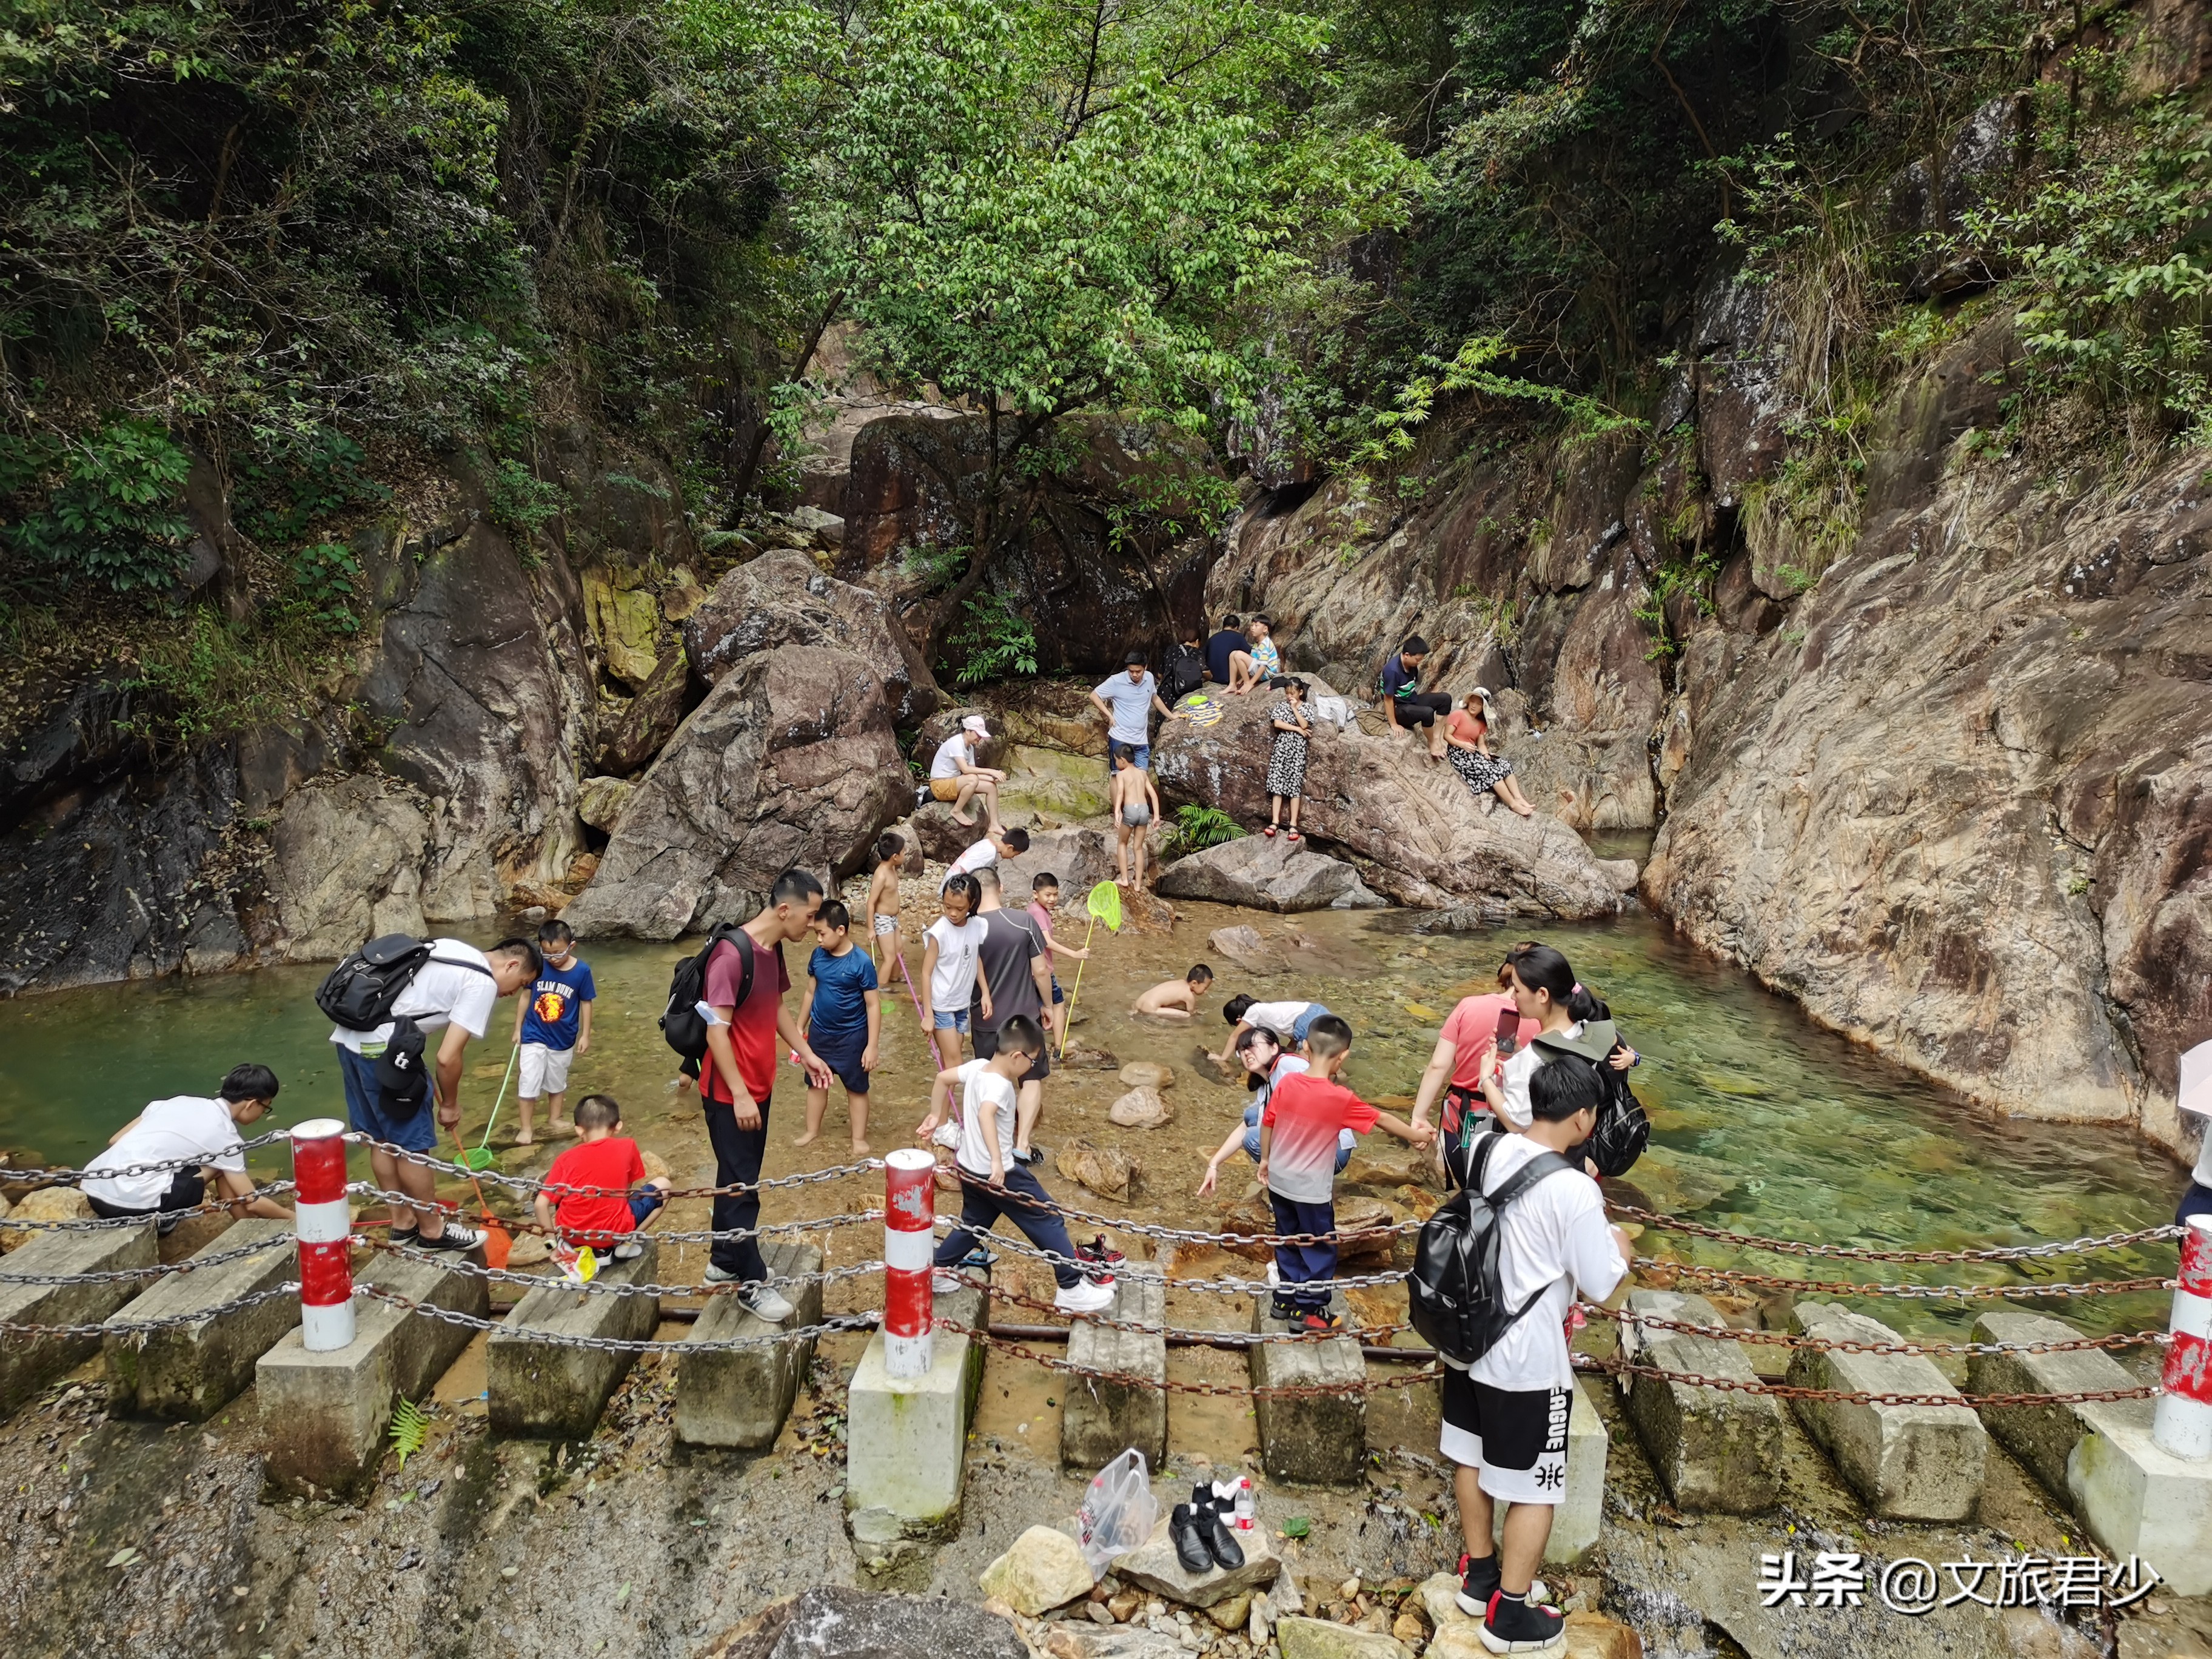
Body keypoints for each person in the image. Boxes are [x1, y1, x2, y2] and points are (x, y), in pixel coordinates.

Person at [1444, 1057, 1633, 1654]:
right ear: (1582, 1118)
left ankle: (1479, 1579)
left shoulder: (1486, 1148)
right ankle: (1511, 1615)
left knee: (1470, 1455)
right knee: (1536, 1486)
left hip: (1467, 1334)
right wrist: (1620, 1247)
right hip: (1525, 1355)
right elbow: (1601, 1284)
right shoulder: (1575, 1189)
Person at [330, 936, 540, 1251]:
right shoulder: (481, 981)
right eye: (520, 983)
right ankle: (432, 1230)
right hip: (386, 1053)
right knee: (412, 1146)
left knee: (379, 1138)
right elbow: (447, 1057)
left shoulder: (446, 946)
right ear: (511, 964)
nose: (511, 994)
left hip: (350, 1040)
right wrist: (451, 1105)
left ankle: (402, 1223)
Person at [916, 1015, 1114, 1314]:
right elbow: (986, 1115)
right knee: (1048, 1217)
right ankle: (1071, 1288)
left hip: (969, 1168)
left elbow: (942, 1078)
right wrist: (998, 1160)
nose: (1031, 1069)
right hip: (999, 1174)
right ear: (1017, 1056)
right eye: (1032, 1063)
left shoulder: (977, 1068)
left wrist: (937, 1118)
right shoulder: (1000, 1086)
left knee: (974, 1223)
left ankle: (939, 1272)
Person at [697, 868, 830, 1318]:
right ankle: (751, 1284)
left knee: (735, 1175)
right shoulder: (731, 956)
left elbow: (775, 1006)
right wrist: (738, 1094)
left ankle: (720, 1261)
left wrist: (807, 1054)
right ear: (785, 909)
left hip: (758, 1085)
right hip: (729, 1091)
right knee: (742, 1187)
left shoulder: (771, 952)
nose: (812, 927)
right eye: (810, 917)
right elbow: (717, 1033)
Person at [1256, 1015, 1429, 1329]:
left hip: (1280, 1182)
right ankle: (1308, 1311)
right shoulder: (1340, 1098)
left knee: (1287, 1238)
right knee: (1320, 1246)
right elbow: (1383, 1120)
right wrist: (1418, 1136)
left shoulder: (1288, 1083)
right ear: (1344, 1056)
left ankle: (1284, 1299)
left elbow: (1268, 1122)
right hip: (1311, 1191)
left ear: (1305, 1047)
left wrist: (1265, 1160)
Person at [81, 1064, 292, 1230]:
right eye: (266, 1107)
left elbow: (115, 1140)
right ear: (251, 1104)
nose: (262, 1114)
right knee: (223, 1168)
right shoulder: (225, 1136)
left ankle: (247, 1227)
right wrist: (293, 1217)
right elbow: (252, 1201)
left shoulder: (175, 1102)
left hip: (95, 1193)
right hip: (131, 1206)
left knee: (211, 1163)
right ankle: (248, 1228)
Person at [1478, 943, 1639, 1141]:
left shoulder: (1533, 1058)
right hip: (1577, 1150)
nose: (1512, 997)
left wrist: (1486, 1079)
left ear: (1543, 995)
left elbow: (1517, 1125)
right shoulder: (1588, 1031)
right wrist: (1519, 1054)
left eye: (1518, 990)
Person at [1196, 1025, 1356, 1195]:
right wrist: (1214, 1164)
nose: (1247, 1053)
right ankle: (1295, 1184)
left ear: (1274, 1048)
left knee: (1254, 1138)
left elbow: (1322, 1096)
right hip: (1314, 1150)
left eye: (1252, 1046)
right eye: (1241, 1051)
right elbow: (1243, 1129)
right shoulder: (1265, 1086)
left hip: (1333, 1150)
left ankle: (1295, 1191)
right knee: (1252, 1116)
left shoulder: (1289, 1065)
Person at [968, 866, 1056, 1165]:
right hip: (1024, 1019)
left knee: (991, 1080)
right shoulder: (1023, 921)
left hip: (984, 1020)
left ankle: (991, 1147)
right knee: (1031, 1079)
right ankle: (1021, 1144)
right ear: (1001, 888)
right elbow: (1041, 970)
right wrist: (1046, 1004)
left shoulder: (969, 929)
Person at [1409, 959, 1541, 1148]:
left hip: (1459, 1116)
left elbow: (1438, 1066)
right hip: (1516, 1124)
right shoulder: (1544, 1023)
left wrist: (1419, 1117)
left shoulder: (1468, 1006)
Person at [533, 1094, 671, 1262]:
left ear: (579, 1129)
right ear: (618, 1126)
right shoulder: (628, 1146)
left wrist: (552, 1247)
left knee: (563, 1197)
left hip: (572, 1235)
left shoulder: (565, 1159)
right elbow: (625, 1193)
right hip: (613, 1232)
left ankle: (582, 1248)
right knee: (664, 1185)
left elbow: (540, 1204)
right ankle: (625, 1242)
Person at [796, 900, 880, 1155]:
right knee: (816, 1083)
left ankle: (858, 1138)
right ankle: (812, 1131)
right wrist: (800, 1026)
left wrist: (872, 1046)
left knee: (856, 1088)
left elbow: (873, 1006)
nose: (818, 940)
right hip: (821, 1034)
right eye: (815, 934)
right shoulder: (818, 957)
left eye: (822, 933)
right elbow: (811, 992)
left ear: (841, 930)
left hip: (852, 1037)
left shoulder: (861, 962)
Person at [511, 919, 595, 1145]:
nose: (552, 959)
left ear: (572, 946)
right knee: (529, 1079)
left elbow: (586, 1003)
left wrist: (586, 1035)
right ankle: (526, 1128)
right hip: (534, 1033)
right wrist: (518, 1028)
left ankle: (554, 1118)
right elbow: (526, 996)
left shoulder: (582, 971)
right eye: (546, 954)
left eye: (557, 953)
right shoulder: (538, 965)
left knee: (557, 1081)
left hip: (564, 1038)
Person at [920, 872, 991, 1072]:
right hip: (942, 1005)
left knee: (949, 1064)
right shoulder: (939, 933)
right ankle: (952, 1104)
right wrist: (928, 1015)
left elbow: (975, 958)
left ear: (972, 904)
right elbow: (926, 973)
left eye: (959, 909)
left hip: (962, 1005)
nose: (952, 913)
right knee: (955, 1066)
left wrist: (985, 993)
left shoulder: (977, 925)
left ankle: (945, 1105)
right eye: (947, 906)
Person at [1445, 689, 1537, 817]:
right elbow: (1447, 736)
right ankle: (1513, 804)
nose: (1474, 705)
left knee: (1504, 764)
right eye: (1472, 701)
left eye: (1478, 704)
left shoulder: (1482, 724)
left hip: (1473, 753)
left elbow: (1481, 745)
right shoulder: (1458, 714)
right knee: (1491, 771)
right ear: (1468, 701)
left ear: (1483, 707)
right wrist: (1462, 744)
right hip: (1458, 754)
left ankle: (1518, 798)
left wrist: (1486, 755)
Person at [1089, 651, 1184, 772]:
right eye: (1131, 671)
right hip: (1120, 739)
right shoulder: (1116, 681)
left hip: (1141, 741)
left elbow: (1154, 698)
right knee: (1119, 777)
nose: (1134, 675)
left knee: (1141, 778)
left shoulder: (1149, 678)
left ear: (1145, 667)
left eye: (1138, 672)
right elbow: (1094, 696)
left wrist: (1171, 716)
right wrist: (1109, 715)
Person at [928, 714, 1007, 830]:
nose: (980, 738)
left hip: (954, 782)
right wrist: (991, 771)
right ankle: (956, 811)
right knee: (972, 780)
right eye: (978, 734)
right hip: (939, 785)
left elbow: (972, 773)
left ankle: (994, 825)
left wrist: (992, 778)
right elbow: (966, 770)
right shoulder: (956, 743)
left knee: (991, 787)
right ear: (968, 731)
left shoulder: (970, 748)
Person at [1380, 634, 1452, 760]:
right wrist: (1393, 724)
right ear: (1407, 655)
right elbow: (1388, 699)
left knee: (1445, 699)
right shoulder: (1393, 671)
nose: (1419, 662)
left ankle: (1436, 737)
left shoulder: (1411, 665)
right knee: (1427, 713)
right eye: (1418, 659)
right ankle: (1432, 743)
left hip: (1410, 700)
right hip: (1399, 709)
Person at [1027, 873, 1089, 1016]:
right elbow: (1047, 941)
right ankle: (1059, 1039)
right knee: (1058, 1005)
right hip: (1042, 969)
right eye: (1048, 895)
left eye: (1055, 894)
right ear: (1036, 894)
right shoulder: (1039, 913)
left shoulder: (1033, 909)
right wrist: (1074, 954)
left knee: (1037, 1008)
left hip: (1031, 970)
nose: (1053, 899)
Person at [1212, 994, 1332, 1068]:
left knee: (1305, 1064)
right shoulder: (1268, 1012)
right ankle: (1341, 1082)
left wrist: (1223, 1059)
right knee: (1328, 1060)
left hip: (1307, 1020)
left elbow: (1234, 1037)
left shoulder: (1253, 1012)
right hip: (1319, 1011)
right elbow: (1293, 1039)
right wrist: (1287, 1053)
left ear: (1239, 1020)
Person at [1262, 676, 1312, 840]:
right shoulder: (1281, 706)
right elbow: (1278, 723)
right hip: (1282, 748)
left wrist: (1295, 710)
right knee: (1277, 784)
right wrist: (1297, 730)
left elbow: (1305, 724)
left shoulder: (1307, 708)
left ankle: (1293, 825)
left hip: (1297, 750)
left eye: (1292, 693)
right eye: (1287, 693)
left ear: (1300, 692)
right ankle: (1275, 821)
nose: (1289, 696)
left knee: (1294, 786)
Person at [1110, 746, 1161, 891]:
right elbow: (1153, 795)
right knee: (1138, 848)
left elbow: (1120, 794)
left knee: (1122, 844)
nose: (1116, 764)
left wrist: (1117, 811)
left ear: (1123, 760)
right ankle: (1138, 884)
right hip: (1144, 810)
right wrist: (1156, 816)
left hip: (1131, 810)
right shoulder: (1142, 774)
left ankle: (1125, 879)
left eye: (1116, 761)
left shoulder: (1121, 775)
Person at [866, 833, 911, 991]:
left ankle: (894, 978)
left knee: (899, 952)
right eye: (904, 852)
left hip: (893, 919)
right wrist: (871, 928)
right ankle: (881, 988)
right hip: (882, 920)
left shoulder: (892, 868)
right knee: (890, 957)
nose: (905, 854)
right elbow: (871, 902)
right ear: (895, 856)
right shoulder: (881, 875)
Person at [943, 823, 1030, 893]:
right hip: (954, 885)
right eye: (1014, 854)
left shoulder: (987, 843)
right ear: (1010, 848)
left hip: (950, 878)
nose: (1013, 857)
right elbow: (966, 869)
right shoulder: (990, 853)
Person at [1133, 964, 1214, 1017]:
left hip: (1140, 1001)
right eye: (1205, 988)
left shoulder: (1180, 982)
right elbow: (1192, 1013)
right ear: (1194, 983)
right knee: (1187, 1015)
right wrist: (1200, 1014)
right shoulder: (1189, 996)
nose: (1205, 991)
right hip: (1151, 1010)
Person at [1227, 615, 1281, 694]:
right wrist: (1242, 678)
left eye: (1256, 626)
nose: (1252, 628)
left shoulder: (1265, 644)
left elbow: (1263, 666)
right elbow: (1251, 661)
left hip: (1267, 674)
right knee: (1233, 654)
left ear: (1265, 629)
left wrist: (1250, 683)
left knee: (1238, 655)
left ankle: (1247, 683)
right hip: (1260, 672)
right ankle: (1232, 684)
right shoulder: (1257, 644)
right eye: (1252, 625)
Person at [1205, 614, 1245, 686]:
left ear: (1223, 626)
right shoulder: (1239, 637)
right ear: (1236, 627)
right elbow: (1249, 653)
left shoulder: (1212, 638)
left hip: (1213, 678)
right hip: (1229, 678)